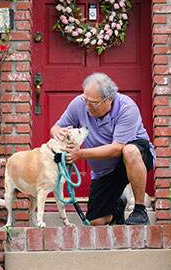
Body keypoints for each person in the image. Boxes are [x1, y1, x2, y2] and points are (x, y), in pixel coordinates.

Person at [50, 72, 155, 225]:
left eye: (92, 102)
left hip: (133, 159)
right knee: (95, 221)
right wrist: (57, 132)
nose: (86, 106)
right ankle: (117, 208)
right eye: (85, 100)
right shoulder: (79, 103)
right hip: (104, 171)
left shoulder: (127, 108)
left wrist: (80, 153)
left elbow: (116, 148)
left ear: (109, 99)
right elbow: (56, 127)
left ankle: (140, 209)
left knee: (129, 150)